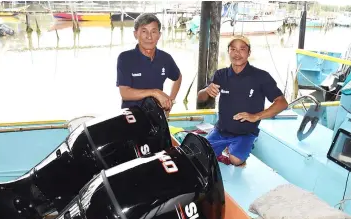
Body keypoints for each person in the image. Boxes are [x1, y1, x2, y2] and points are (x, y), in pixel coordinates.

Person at [197, 35, 288, 166]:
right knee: (200, 157)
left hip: (246, 133)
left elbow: (282, 102)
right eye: (233, 49)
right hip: (221, 130)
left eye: (242, 49)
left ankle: (239, 149)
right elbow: (200, 98)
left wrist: (256, 116)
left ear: (249, 52)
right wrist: (206, 91)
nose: (237, 53)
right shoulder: (221, 75)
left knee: (236, 160)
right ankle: (223, 148)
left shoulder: (261, 76)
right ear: (228, 52)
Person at [116, 13, 182, 114]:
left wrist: (170, 101)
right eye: (144, 31)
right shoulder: (125, 58)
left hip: (156, 117)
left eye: (153, 32)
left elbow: (178, 77)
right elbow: (125, 92)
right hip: (132, 117)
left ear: (159, 35)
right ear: (135, 34)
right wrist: (155, 92)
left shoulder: (165, 58)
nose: (149, 37)